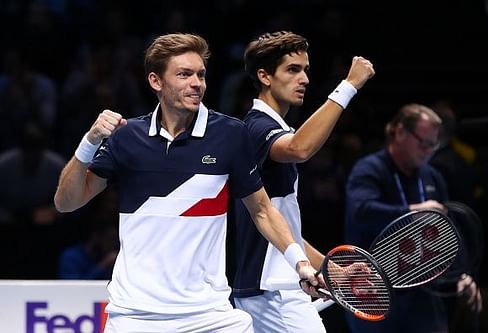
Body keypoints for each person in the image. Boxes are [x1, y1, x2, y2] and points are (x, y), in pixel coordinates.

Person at [53, 32, 323, 333]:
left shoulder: (231, 135)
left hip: (210, 317)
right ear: (156, 82)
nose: (197, 83)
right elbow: (66, 202)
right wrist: (89, 143)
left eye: (201, 75)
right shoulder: (127, 137)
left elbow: (262, 211)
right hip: (133, 316)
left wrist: (300, 263)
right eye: (184, 74)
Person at [230, 31, 375, 333]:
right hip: (272, 291)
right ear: (264, 76)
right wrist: (348, 86)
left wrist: (334, 272)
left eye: (306, 70)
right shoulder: (257, 128)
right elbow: (300, 148)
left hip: (277, 288)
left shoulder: (271, 126)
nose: (305, 79)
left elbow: (286, 231)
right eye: (293, 70)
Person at [344, 103, 482, 333]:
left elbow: (449, 230)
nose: (429, 151)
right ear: (399, 132)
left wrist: (462, 274)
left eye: (433, 145)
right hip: (372, 290)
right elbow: (362, 212)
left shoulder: (431, 176)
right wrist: (412, 213)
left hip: (421, 289)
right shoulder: (369, 170)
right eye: (424, 143)